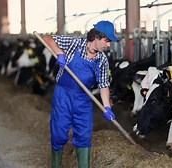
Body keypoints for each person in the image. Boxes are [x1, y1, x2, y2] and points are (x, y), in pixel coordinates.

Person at [42, 20, 118, 168]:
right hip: (63, 95)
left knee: (84, 135)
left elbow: (103, 85)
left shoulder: (102, 60)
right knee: (59, 133)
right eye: (107, 40)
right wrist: (59, 53)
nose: (108, 45)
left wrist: (107, 107)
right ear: (96, 37)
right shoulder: (74, 43)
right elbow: (47, 38)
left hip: (83, 99)